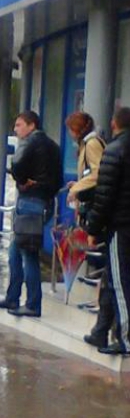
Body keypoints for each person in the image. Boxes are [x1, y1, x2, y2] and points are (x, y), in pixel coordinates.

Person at [0, 110, 63, 318]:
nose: (15, 129)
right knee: (15, 251)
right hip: (45, 202)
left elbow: (16, 165)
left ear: (32, 125)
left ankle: (32, 304)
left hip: (30, 202)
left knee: (28, 254)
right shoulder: (54, 146)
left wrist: (23, 181)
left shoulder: (30, 142)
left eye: (18, 125)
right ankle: (13, 296)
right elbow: (57, 181)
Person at [64, 111, 113, 349]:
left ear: (78, 129)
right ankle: (100, 306)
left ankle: (102, 310)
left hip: (99, 210)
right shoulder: (89, 143)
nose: (70, 134)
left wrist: (77, 189)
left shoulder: (92, 144)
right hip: (95, 205)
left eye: (71, 129)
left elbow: (97, 173)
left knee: (106, 259)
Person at [84, 106, 130, 356]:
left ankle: (124, 339)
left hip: (120, 228)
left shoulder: (114, 151)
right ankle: (101, 330)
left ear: (114, 124)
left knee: (120, 282)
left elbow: (104, 195)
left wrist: (93, 227)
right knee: (111, 280)